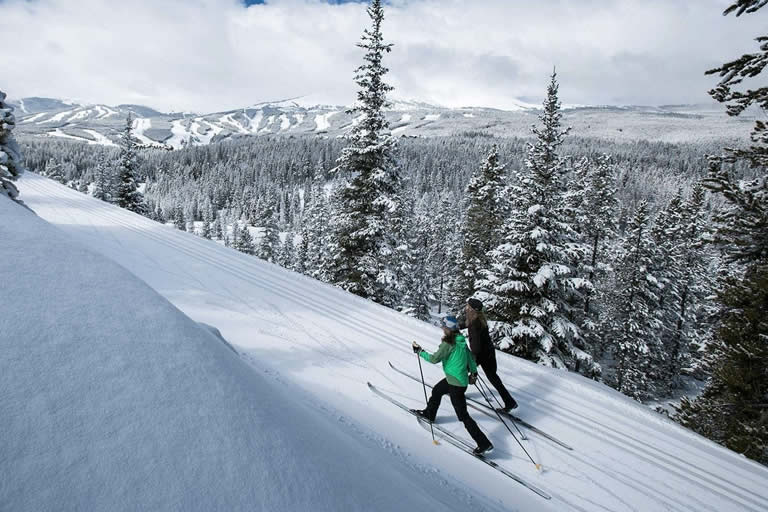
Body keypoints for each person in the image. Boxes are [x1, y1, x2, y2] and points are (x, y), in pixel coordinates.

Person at [411, 315, 493, 455]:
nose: (442, 328)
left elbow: (434, 359)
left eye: (443, 326)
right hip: (455, 379)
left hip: (456, 383)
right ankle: (430, 414)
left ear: (448, 329)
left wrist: (420, 352)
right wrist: (473, 374)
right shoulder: (460, 341)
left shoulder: (448, 344)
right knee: (437, 390)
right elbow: (471, 360)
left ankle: (483, 443)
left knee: (463, 416)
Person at [461, 298, 518, 412]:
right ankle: (509, 402)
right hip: (489, 353)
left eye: (468, 306)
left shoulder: (474, 323)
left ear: (472, 309)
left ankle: (453, 390)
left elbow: (476, 345)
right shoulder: (479, 319)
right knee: (493, 378)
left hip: (480, 354)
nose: (466, 308)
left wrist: (472, 359)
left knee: (460, 369)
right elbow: (467, 325)